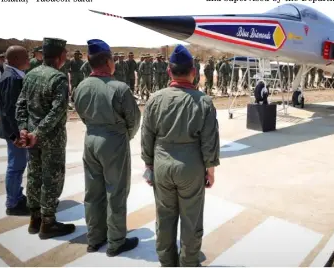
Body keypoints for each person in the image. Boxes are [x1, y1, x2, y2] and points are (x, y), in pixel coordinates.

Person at [141, 44, 220, 267]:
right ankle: (189, 263)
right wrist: (210, 170)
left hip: (162, 166)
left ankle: (167, 262)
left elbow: (146, 136)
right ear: (194, 72)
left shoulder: (155, 99)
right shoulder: (203, 101)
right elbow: (209, 140)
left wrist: (149, 165)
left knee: (164, 219)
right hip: (191, 168)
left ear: (169, 72)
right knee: (191, 220)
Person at [73, 39, 141, 256]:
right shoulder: (119, 88)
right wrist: (124, 136)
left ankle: (94, 239)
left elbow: (81, 114)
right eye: (112, 60)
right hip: (113, 141)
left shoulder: (81, 86)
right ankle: (116, 242)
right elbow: (134, 120)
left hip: (90, 139)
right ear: (107, 61)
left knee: (93, 192)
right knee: (116, 192)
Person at [16, 37, 75, 239]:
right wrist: (38, 132)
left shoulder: (30, 75)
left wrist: (24, 129)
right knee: (52, 177)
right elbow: (57, 111)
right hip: (51, 138)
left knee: (34, 174)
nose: (66, 56)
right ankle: (48, 223)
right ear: (59, 56)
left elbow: (21, 105)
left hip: (33, 136)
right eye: (65, 53)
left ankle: (35, 220)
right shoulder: (58, 78)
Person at [0, 46, 30, 215]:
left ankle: (17, 195)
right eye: (26, 56)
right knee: (16, 167)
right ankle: (13, 203)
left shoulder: (14, 75)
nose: (29, 59)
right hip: (14, 132)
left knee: (17, 165)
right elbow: (10, 110)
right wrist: (15, 135)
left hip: (14, 131)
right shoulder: (12, 78)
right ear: (16, 59)